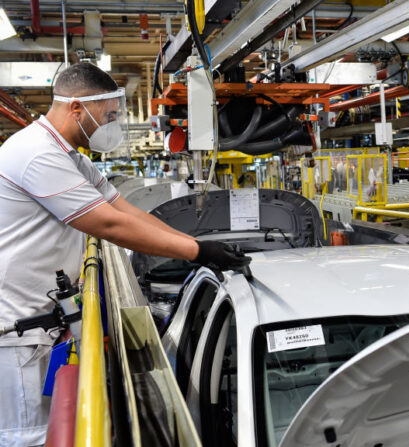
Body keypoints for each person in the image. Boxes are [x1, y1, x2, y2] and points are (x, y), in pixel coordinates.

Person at [0, 63, 249, 445]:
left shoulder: (74, 158)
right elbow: (109, 226)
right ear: (77, 108)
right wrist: (197, 251)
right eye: (109, 115)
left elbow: (126, 211)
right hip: (19, 332)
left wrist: (193, 243)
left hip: (44, 324)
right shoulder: (37, 154)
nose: (113, 124)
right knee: (29, 436)